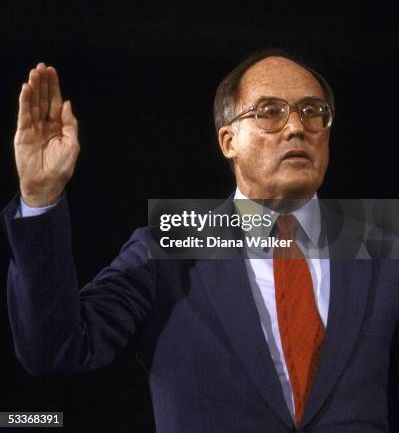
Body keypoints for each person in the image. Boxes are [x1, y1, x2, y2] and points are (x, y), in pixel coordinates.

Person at [3, 49, 399, 433]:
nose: (296, 126)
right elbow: (57, 350)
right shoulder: (173, 244)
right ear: (228, 142)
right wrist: (40, 199)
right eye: (270, 112)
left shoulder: (378, 239)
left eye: (312, 111)